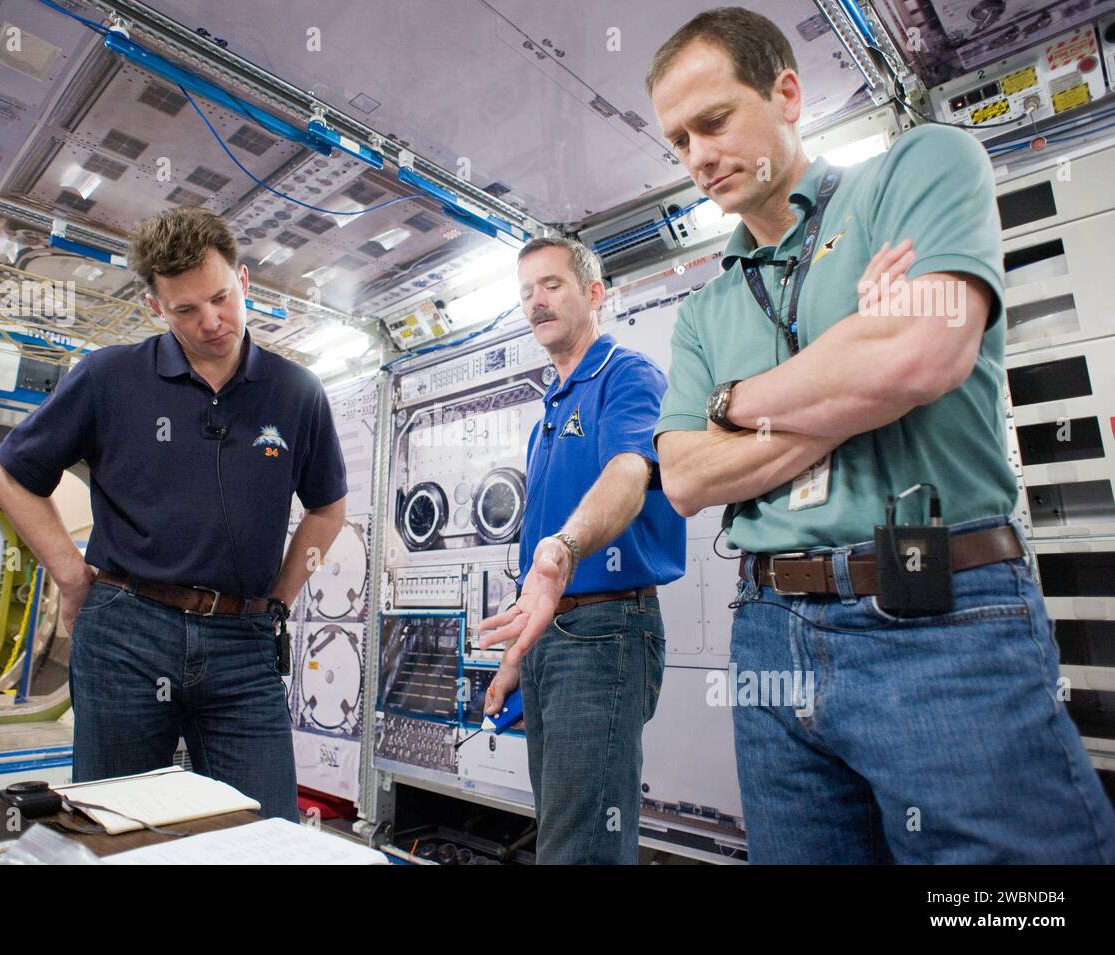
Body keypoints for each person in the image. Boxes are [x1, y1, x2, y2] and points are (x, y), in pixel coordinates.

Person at [647, 7, 1115, 862]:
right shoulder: (706, 310)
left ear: (786, 93)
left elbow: (913, 358)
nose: (699, 156)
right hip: (769, 627)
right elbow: (680, 479)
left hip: (938, 616)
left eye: (713, 121)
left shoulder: (919, 164)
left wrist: (733, 402)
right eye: (678, 140)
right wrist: (847, 372)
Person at [0, 206, 347, 821]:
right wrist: (70, 574)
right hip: (127, 634)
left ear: (244, 281)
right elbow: (9, 473)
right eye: (186, 309)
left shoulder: (296, 392)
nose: (212, 321)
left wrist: (281, 600)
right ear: (156, 308)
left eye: (221, 297)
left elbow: (327, 507)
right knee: (120, 826)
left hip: (243, 644)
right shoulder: (109, 377)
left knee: (269, 835)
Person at [477, 236, 687, 864]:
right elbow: (538, 553)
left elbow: (628, 470)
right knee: (563, 831)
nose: (535, 303)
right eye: (525, 293)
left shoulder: (627, 375)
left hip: (604, 631)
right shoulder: (550, 407)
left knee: (580, 847)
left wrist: (566, 548)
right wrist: (518, 650)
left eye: (552, 285)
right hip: (550, 634)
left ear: (596, 294)